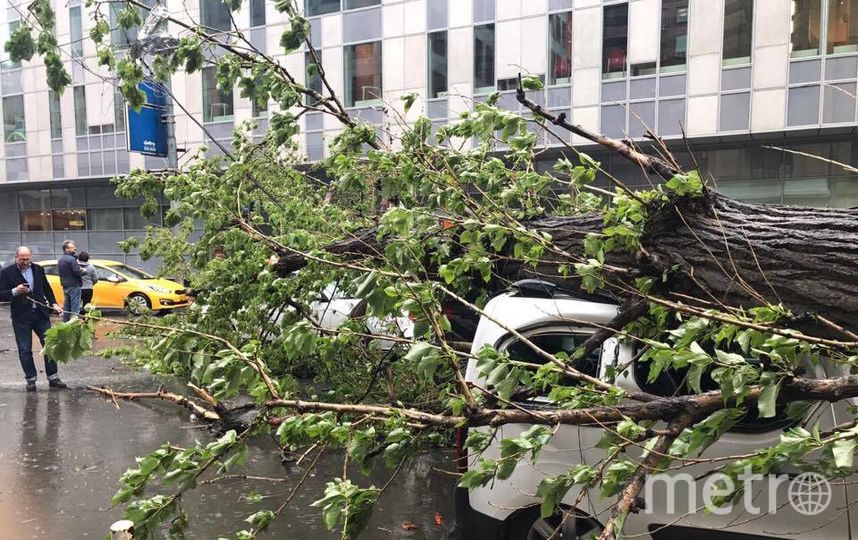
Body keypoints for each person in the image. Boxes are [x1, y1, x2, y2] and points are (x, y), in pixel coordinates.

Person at [0, 246, 67, 391]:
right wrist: (15, 291)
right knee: (25, 350)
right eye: (22, 259)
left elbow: (46, 288)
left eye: (27, 259)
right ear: (16, 257)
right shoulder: (7, 273)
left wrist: (54, 303)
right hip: (21, 317)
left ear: (31, 257)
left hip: (40, 314)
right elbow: (1, 293)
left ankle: (53, 377)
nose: (25, 262)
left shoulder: (38, 269)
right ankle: (31, 380)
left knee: (49, 345)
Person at [57, 240, 83, 322]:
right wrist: (84, 271)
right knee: (75, 309)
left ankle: (65, 324)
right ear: (66, 249)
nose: (75, 248)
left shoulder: (60, 259)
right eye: (73, 247)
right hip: (74, 285)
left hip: (65, 286)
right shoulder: (71, 260)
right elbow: (77, 272)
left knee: (67, 308)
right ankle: (74, 325)